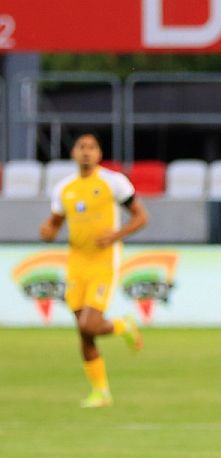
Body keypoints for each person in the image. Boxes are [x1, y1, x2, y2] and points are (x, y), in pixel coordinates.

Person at [38, 133, 148, 408]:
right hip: (76, 262)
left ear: (99, 154)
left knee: (90, 323)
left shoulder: (114, 182)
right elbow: (54, 223)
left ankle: (123, 325)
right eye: (81, 147)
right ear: (73, 153)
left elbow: (141, 217)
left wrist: (116, 234)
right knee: (84, 331)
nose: (86, 152)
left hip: (103, 260)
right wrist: (48, 231)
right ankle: (101, 392)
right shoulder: (64, 189)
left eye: (92, 147)